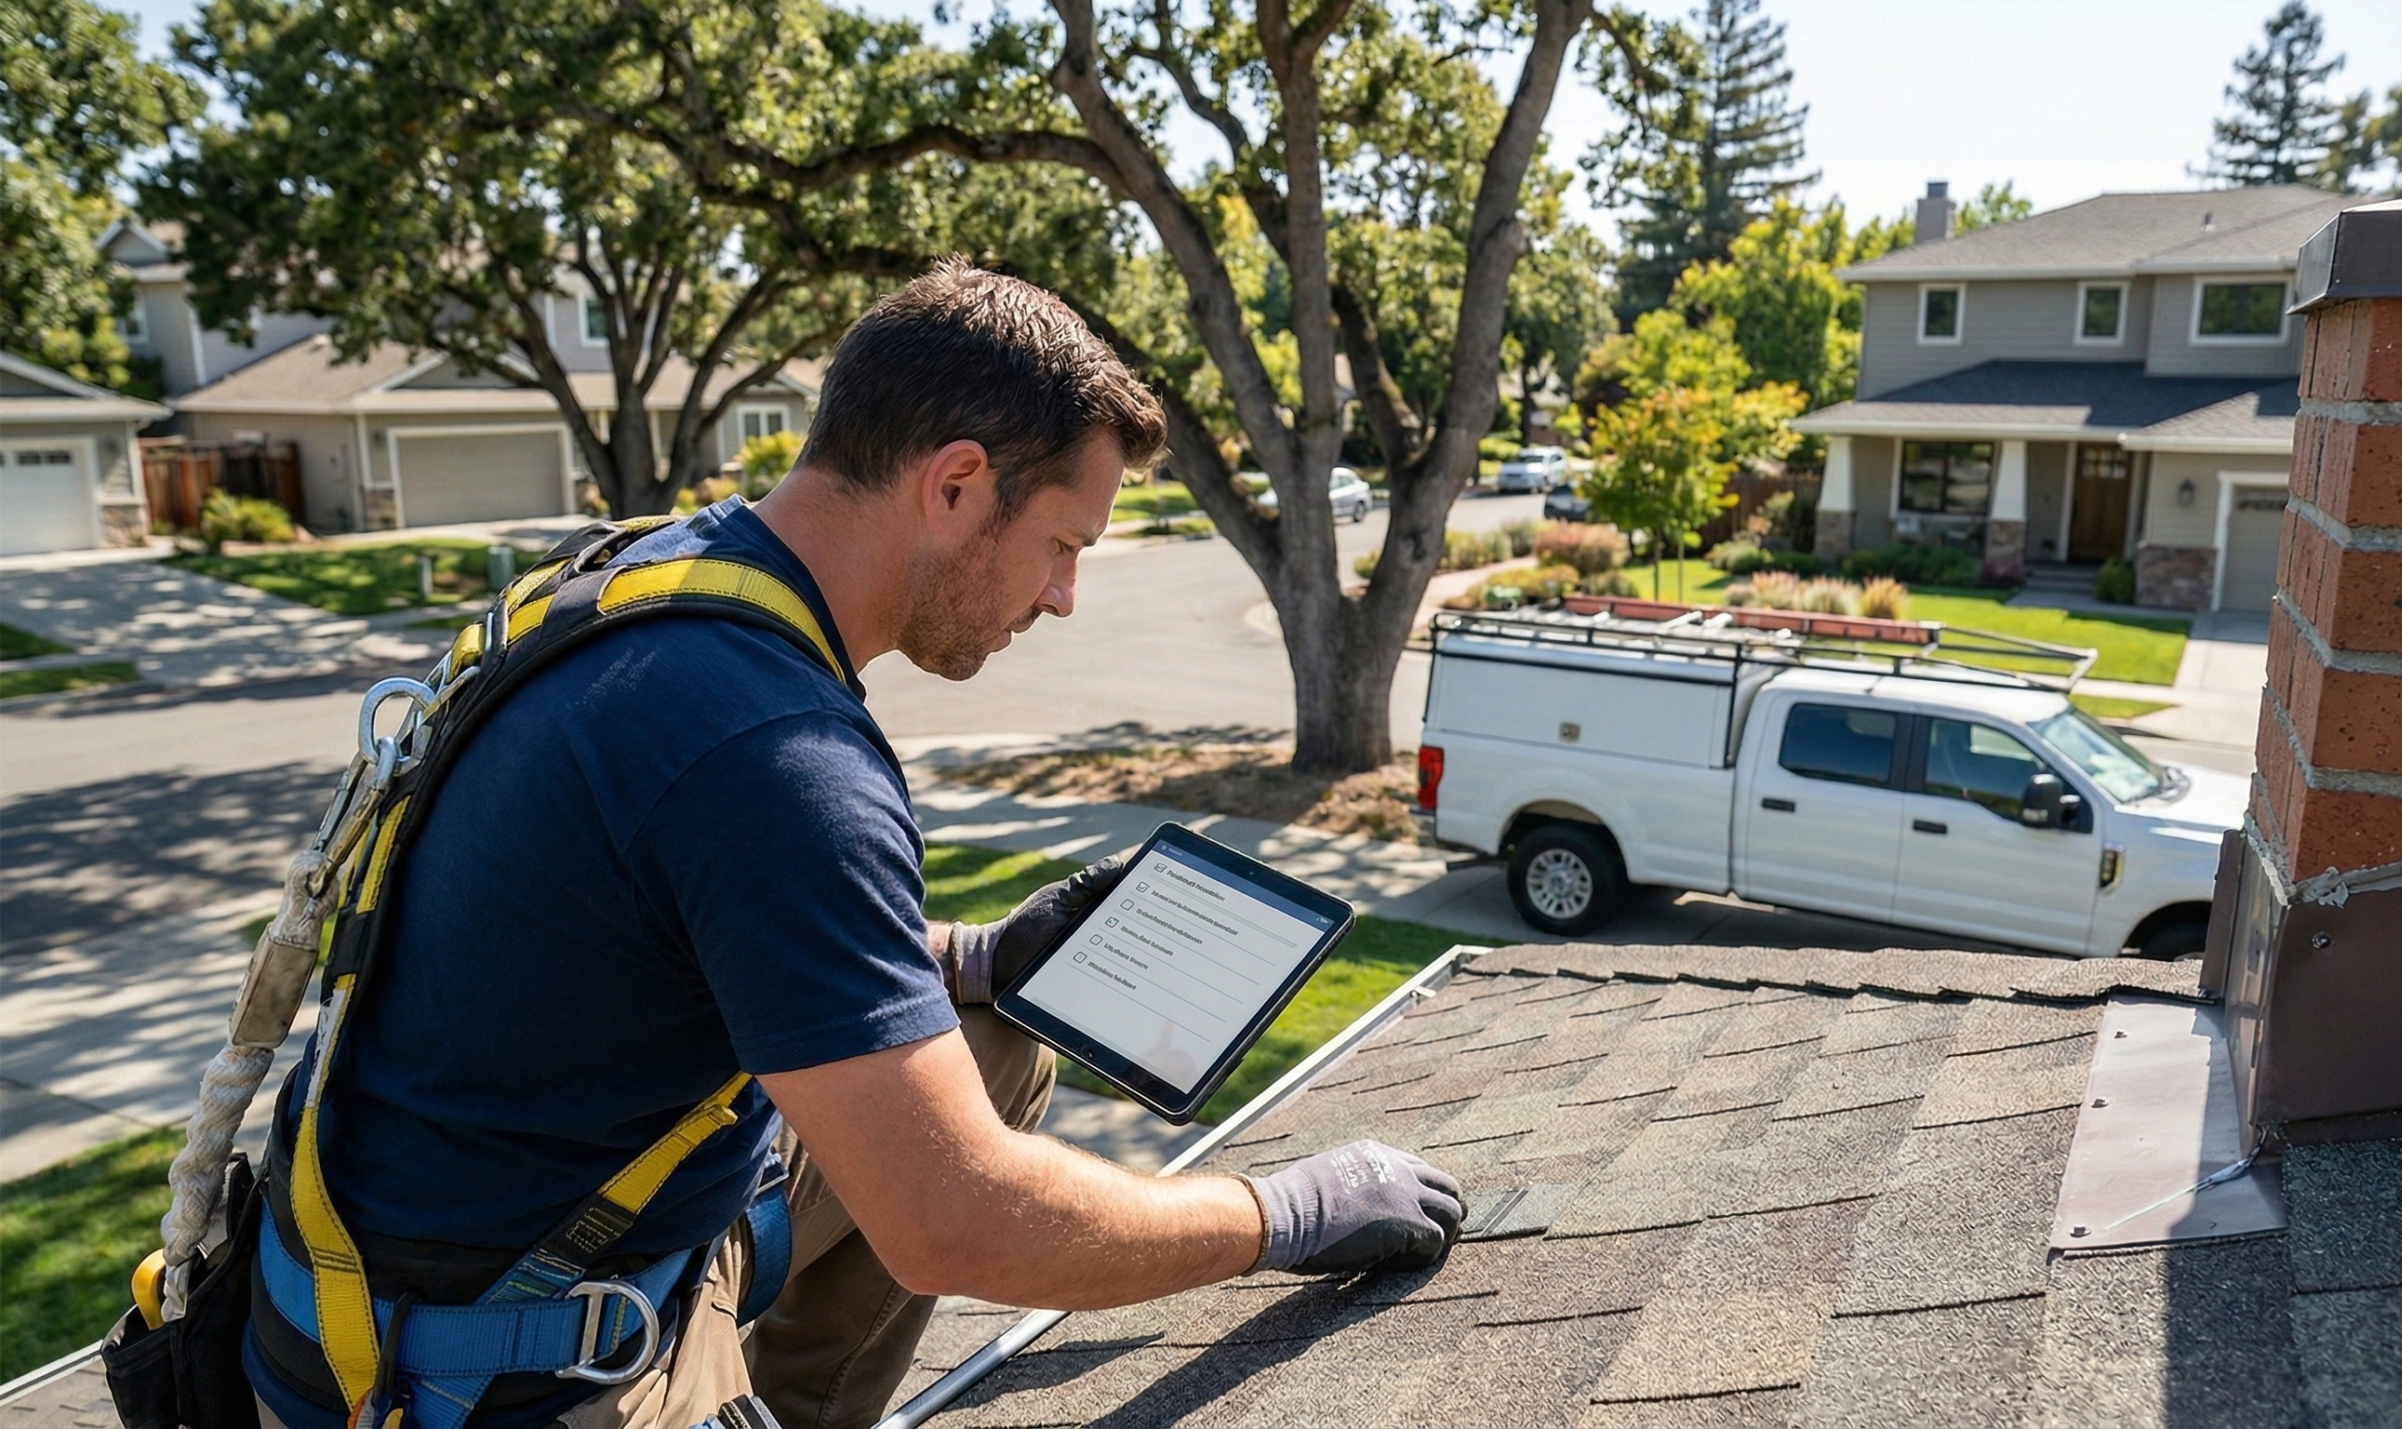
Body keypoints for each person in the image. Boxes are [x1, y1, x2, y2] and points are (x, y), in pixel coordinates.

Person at [243, 261, 1464, 1429]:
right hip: (482, 1366)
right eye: (1062, 545)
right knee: (953, 1165)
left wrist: (975, 954)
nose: (1061, 598)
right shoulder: (772, 753)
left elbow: (677, 932)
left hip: (501, 1241)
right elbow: (955, 1218)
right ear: (954, 484)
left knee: (991, 1046)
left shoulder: (659, 575)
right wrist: (1287, 1209)